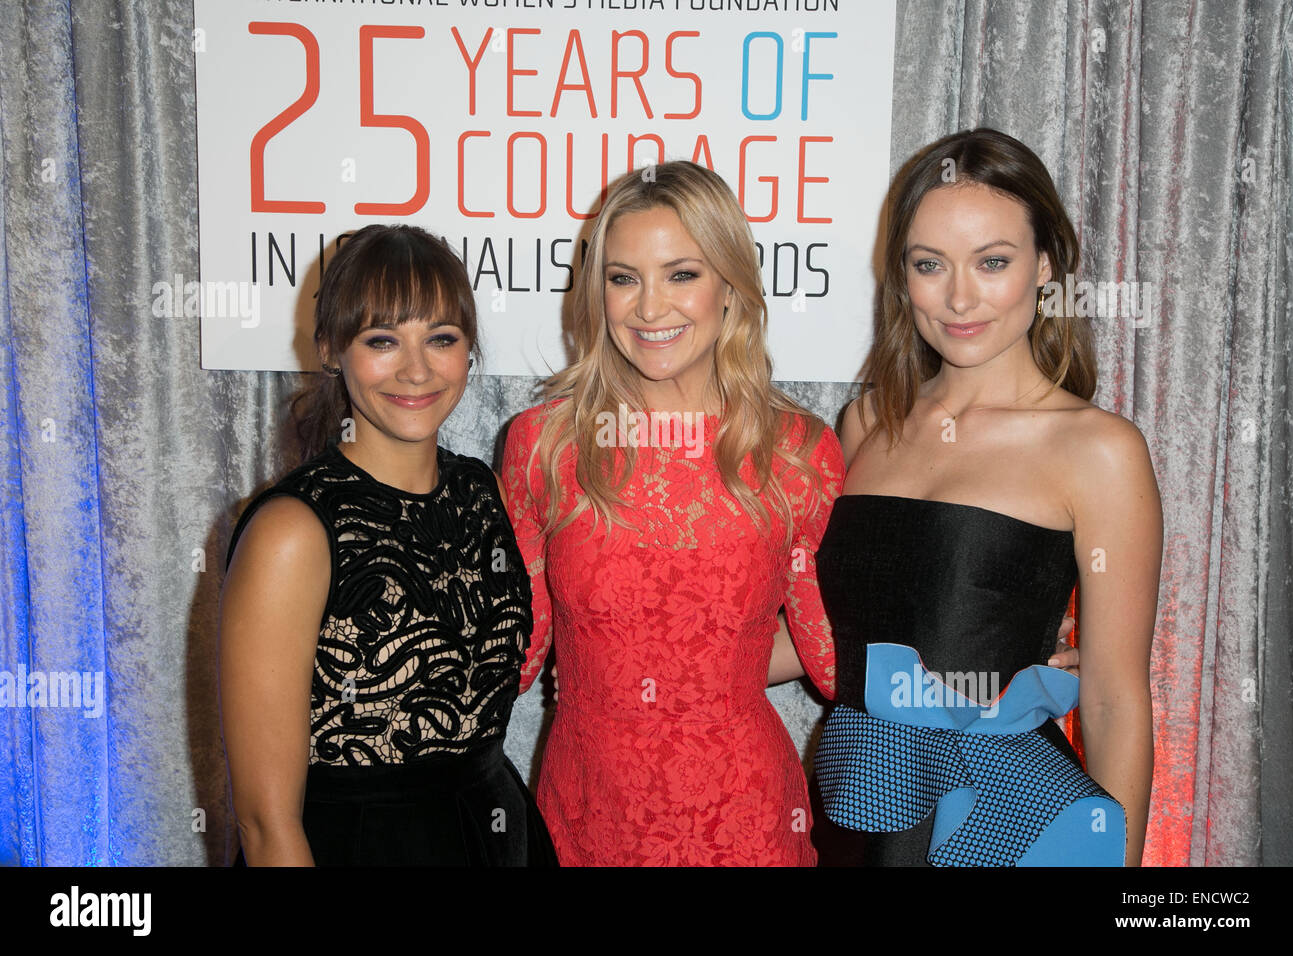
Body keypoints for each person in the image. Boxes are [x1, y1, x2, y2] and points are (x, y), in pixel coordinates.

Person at [813, 128, 1161, 866]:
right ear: (901, 277)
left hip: (1006, 822)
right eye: (929, 264)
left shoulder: (1098, 449)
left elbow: (1113, 701)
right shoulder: (867, 422)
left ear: (1045, 265)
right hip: (858, 808)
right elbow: (822, 633)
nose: (960, 297)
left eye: (992, 262)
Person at [501, 161, 844, 865]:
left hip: (744, 819)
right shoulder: (545, 445)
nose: (649, 309)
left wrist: (992, 649)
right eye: (623, 278)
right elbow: (517, 655)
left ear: (730, 287)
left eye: (681, 274)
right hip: (589, 813)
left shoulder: (798, 452)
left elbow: (833, 660)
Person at [219, 224, 556, 866]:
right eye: (382, 340)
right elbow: (266, 826)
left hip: (496, 836)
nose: (417, 369)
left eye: (441, 338)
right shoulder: (290, 531)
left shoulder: (481, 491)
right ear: (329, 348)